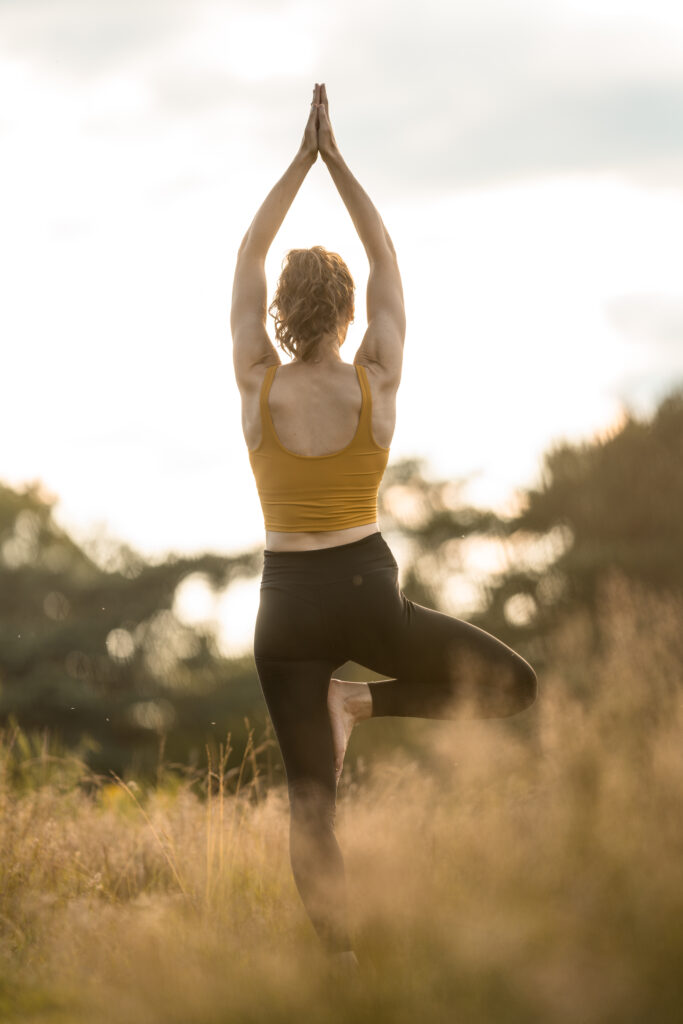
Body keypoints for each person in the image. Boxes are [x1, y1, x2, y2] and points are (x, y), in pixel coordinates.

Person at [230, 83, 537, 971]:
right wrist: (336, 159)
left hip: (284, 608)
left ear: (280, 313)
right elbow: (385, 254)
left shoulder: (256, 382)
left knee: (310, 808)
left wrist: (297, 162)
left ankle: (342, 969)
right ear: (348, 314)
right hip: (366, 593)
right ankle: (358, 702)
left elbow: (248, 252)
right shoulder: (376, 380)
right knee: (513, 686)